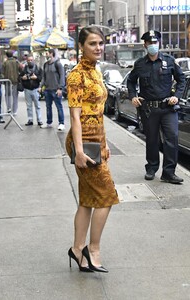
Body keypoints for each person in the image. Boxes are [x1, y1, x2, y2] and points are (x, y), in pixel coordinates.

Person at [65, 26, 119, 273]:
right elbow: (75, 117)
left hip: (96, 141)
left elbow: (98, 113)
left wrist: (105, 143)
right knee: (107, 196)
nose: (98, 47)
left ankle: (77, 250)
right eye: (93, 44)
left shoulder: (96, 71)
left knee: (87, 200)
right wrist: (78, 151)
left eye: (101, 43)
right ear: (81, 46)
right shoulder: (77, 75)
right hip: (83, 143)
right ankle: (92, 249)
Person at [127, 30, 185, 184]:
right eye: (150, 43)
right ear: (145, 44)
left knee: (171, 138)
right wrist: (133, 96)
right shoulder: (140, 64)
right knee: (152, 140)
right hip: (149, 109)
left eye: (155, 42)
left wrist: (177, 96)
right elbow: (130, 81)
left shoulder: (169, 60)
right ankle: (152, 168)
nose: (153, 45)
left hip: (168, 108)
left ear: (159, 43)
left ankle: (168, 173)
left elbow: (182, 80)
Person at [40, 48, 65, 130]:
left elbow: (62, 76)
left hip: (56, 89)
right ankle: (49, 122)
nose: (46, 55)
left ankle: (61, 123)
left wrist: (60, 88)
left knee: (59, 106)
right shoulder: (45, 64)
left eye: (47, 53)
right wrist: (41, 86)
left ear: (51, 54)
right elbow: (44, 76)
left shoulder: (58, 64)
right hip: (47, 89)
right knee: (48, 107)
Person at [20, 55, 43, 126]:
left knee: (37, 105)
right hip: (27, 89)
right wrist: (22, 78)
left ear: (33, 60)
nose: (30, 62)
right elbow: (19, 77)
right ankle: (30, 120)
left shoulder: (38, 68)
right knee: (29, 106)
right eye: (28, 60)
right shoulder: (24, 69)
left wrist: (36, 77)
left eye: (31, 60)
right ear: (27, 61)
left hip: (35, 89)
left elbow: (41, 78)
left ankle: (39, 120)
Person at [3, 50, 19, 115]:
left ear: (6, 56)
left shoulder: (5, 63)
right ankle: (14, 110)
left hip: (7, 82)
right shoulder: (16, 62)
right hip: (15, 81)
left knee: (7, 95)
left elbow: (2, 72)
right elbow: (21, 69)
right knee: (15, 96)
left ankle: (9, 108)